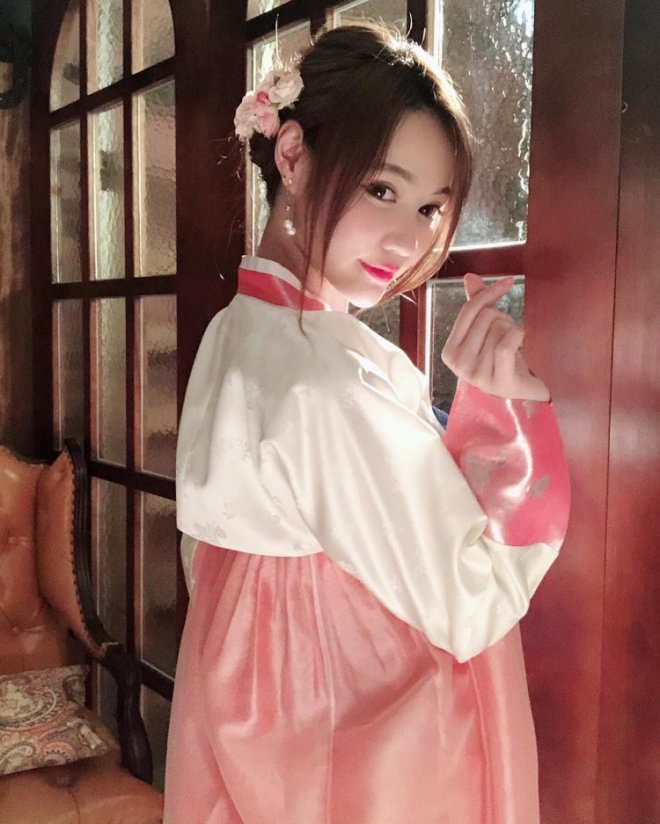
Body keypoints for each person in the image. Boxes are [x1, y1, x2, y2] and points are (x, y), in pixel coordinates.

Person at [164, 22, 570, 824]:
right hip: (339, 736)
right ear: (291, 153)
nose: (409, 239)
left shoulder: (237, 330)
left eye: (429, 208)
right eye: (382, 189)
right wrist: (509, 413)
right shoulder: (325, 382)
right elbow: (472, 599)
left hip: (251, 723)